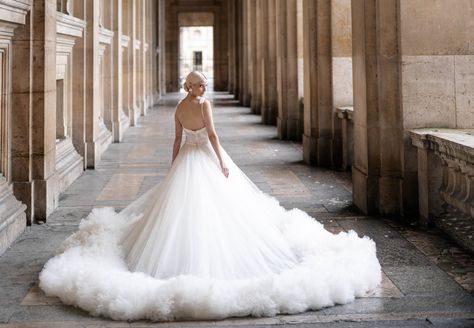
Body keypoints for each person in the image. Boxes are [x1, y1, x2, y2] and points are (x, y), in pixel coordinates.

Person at [39, 70, 381, 321]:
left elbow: (176, 141)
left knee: (180, 214)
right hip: (204, 159)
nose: (205, 87)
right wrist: (222, 163)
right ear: (194, 87)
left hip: (186, 161)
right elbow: (214, 137)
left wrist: (173, 166)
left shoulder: (178, 109)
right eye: (202, 84)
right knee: (223, 210)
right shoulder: (203, 106)